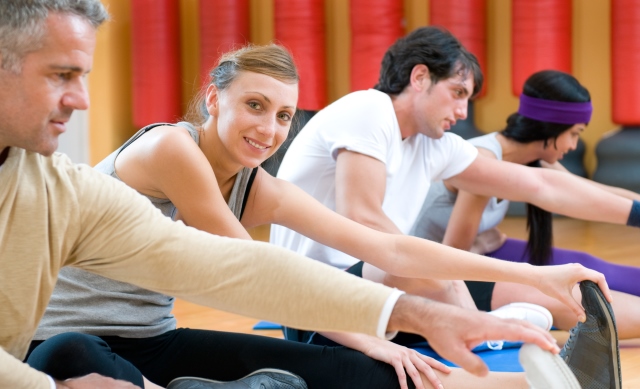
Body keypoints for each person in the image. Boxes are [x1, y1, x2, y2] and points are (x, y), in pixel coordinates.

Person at [0, 2, 568, 389]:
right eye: (254, 106)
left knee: (380, 374)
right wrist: (378, 332)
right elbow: (242, 270)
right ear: (214, 99)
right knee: (82, 358)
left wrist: (543, 277)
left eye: (284, 116)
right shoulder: (170, 149)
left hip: (154, 339)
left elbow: (386, 249)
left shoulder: (257, 185)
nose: (270, 130)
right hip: (71, 343)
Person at [270, 25, 639, 378]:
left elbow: (542, 184)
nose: (463, 112)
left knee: (548, 297)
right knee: (417, 269)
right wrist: (450, 281)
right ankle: (486, 331)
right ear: (419, 78)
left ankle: (491, 329)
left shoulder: (432, 145)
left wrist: (636, 212)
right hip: (322, 304)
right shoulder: (369, 110)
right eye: (458, 93)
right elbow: (363, 222)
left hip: (386, 291)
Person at [409, 69, 640, 338]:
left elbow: (590, 191)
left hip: (490, 250)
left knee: (591, 266)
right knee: (581, 291)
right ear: (551, 127)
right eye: (575, 133)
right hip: (450, 269)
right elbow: (453, 258)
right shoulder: (482, 161)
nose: (575, 145)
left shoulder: (537, 157)